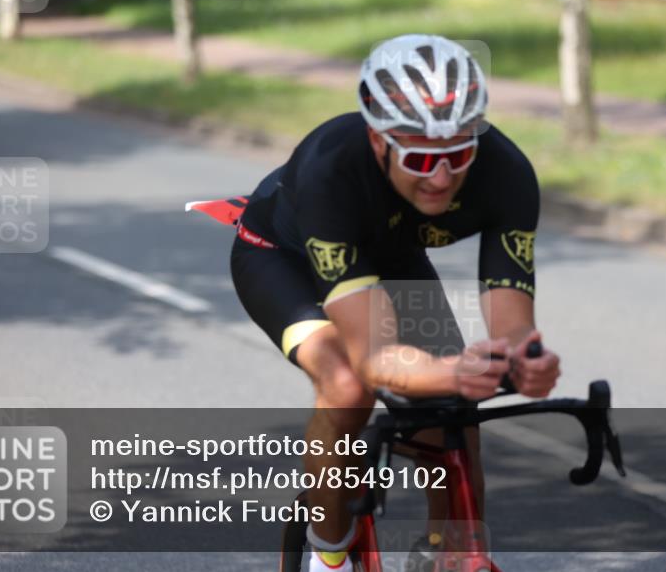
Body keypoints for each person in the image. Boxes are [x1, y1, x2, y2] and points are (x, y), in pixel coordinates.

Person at [227, 34, 560, 572]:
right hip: (284, 259)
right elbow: (375, 357)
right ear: (378, 141)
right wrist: (454, 371)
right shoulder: (330, 171)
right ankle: (329, 554)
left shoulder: (506, 172)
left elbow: (512, 322)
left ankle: (444, 556)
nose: (441, 177)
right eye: (421, 158)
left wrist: (525, 360)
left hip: (390, 258)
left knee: (455, 421)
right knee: (347, 387)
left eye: (457, 156)